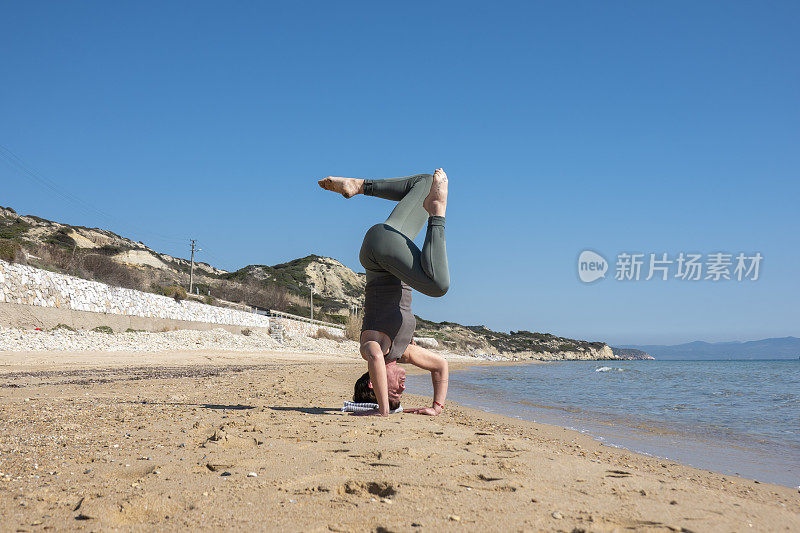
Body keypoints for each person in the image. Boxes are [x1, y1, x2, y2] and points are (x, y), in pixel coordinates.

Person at [318, 169, 450, 416]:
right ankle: (358, 185)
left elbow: (377, 361)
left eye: (394, 392)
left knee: (438, 286)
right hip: (390, 243)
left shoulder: (371, 346)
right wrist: (436, 407)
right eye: (400, 395)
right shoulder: (405, 352)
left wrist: (383, 411)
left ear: (373, 382)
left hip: (377, 255)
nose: (402, 388)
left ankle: (437, 212)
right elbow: (440, 366)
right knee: (425, 183)